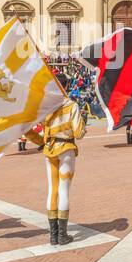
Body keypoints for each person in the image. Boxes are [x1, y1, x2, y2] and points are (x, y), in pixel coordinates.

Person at [25, 96, 86, 245]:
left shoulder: (45, 106)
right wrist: (83, 124)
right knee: (64, 191)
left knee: (52, 190)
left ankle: (53, 235)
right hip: (66, 149)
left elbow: (27, 129)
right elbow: (79, 133)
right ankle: (62, 235)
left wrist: (41, 142)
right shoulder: (71, 105)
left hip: (49, 150)